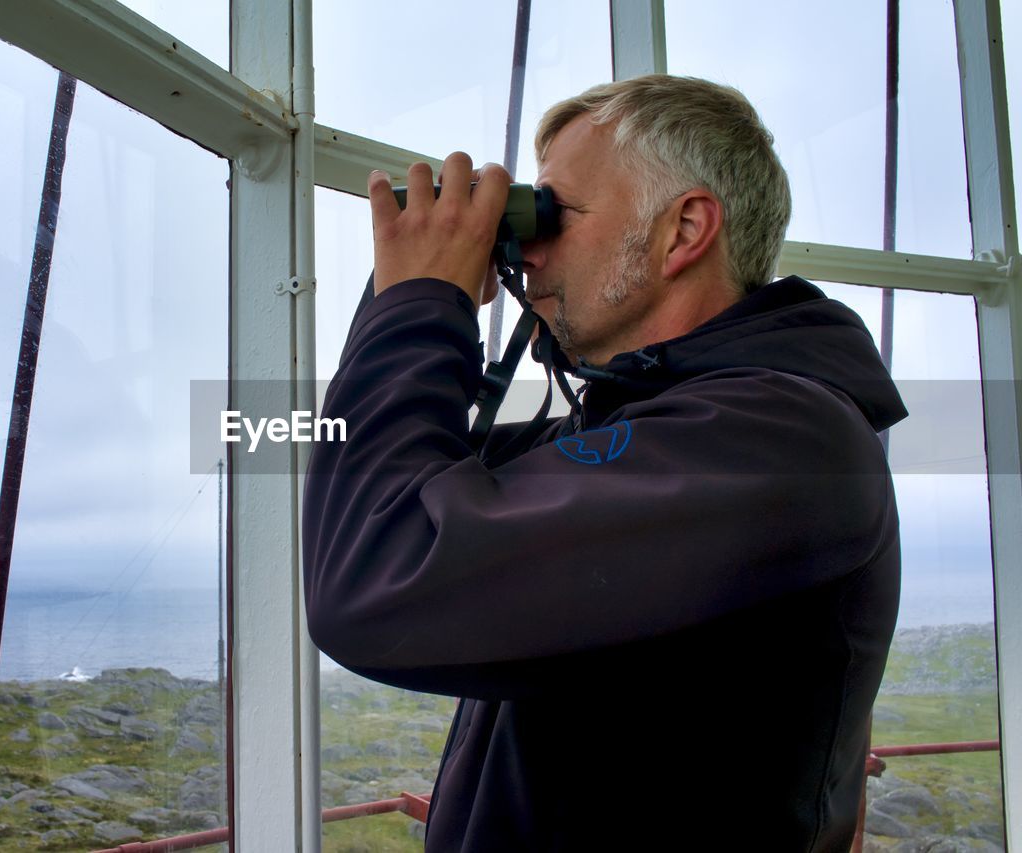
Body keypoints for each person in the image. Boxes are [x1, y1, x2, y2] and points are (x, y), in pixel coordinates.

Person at [303, 75, 906, 852]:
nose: (529, 245)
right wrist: (410, 291)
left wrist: (422, 300)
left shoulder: (780, 442)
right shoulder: (648, 427)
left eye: (550, 212)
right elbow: (396, 480)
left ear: (684, 229)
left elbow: (370, 575)